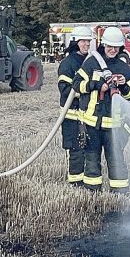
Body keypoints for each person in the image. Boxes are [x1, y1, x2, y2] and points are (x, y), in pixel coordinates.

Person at [74, 26, 130, 192]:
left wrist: (123, 86)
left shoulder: (124, 68)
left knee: (116, 161)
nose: (113, 50)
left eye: (116, 47)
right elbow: (77, 85)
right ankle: (92, 193)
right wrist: (96, 85)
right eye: (110, 46)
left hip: (114, 126)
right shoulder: (92, 63)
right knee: (92, 160)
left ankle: (119, 194)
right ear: (103, 44)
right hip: (92, 123)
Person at [56, 27, 94, 185]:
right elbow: (65, 89)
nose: (86, 44)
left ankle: (88, 182)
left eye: (88, 41)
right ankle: (76, 184)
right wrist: (87, 89)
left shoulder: (91, 61)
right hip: (72, 114)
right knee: (76, 151)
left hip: (87, 114)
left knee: (90, 149)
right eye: (83, 41)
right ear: (75, 42)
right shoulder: (68, 63)